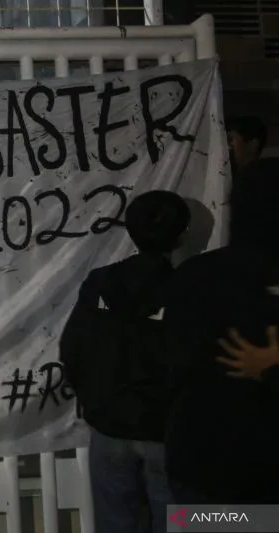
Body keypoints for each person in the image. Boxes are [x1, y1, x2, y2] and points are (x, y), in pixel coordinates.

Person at [59, 190, 190, 533]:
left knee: (115, 523)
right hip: (164, 430)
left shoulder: (101, 282)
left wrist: (95, 400)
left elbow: (72, 347)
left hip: (110, 425)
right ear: (181, 236)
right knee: (177, 522)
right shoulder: (188, 288)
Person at [162, 157, 279, 505]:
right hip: (234, 472)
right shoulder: (200, 277)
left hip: (201, 466)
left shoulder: (195, 276)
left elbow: (175, 360)